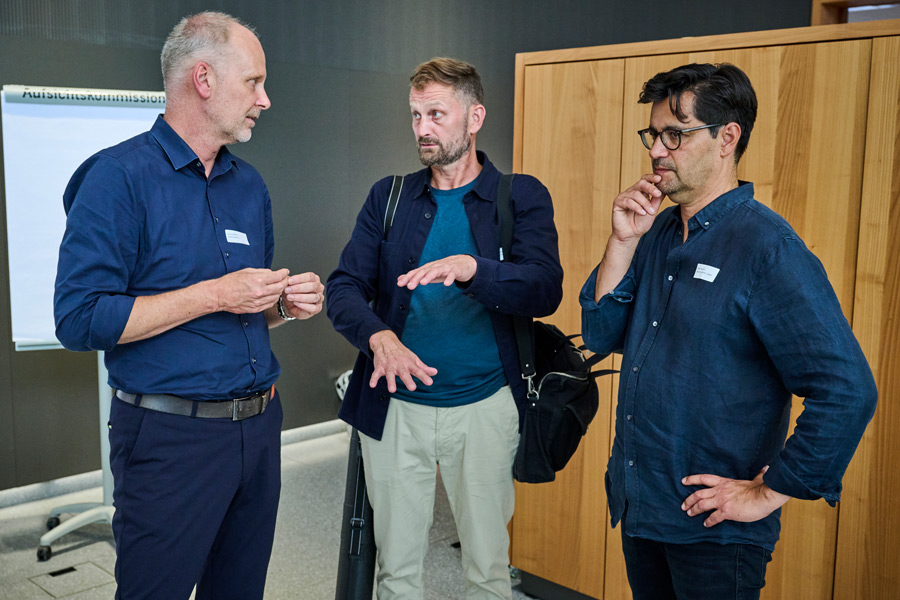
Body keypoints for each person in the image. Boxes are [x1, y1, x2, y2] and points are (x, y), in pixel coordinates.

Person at [580, 62, 877, 600]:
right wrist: (622, 242)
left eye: (676, 134)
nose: (655, 151)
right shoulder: (658, 231)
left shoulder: (768, 249)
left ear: (727, 138)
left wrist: (769, 491)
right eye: (653, 134)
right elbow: (602, 334)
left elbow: (848, 389)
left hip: (715, 534)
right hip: (643, 506)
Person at [53, 11, 324, 600]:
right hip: (170, 439)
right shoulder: (116, 179)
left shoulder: (248, 186)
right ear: (203, 79)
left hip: (258, 429)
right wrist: (215, 294)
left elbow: (248, 315)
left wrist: (285, 306)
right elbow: (79, 319)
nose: (266, 99)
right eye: (253, 82)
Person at [326, 57, 563, 599]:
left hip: (483, 408)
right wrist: (379, 337)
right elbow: (342, 288)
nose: (422, 129)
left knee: (487, 568)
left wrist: (473, 269)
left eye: (436, 113)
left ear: (474, 117)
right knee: (396, 571)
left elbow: (544, 289)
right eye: (415, 115)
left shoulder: (520, 196)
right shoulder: (389, 198)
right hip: (396, 407)